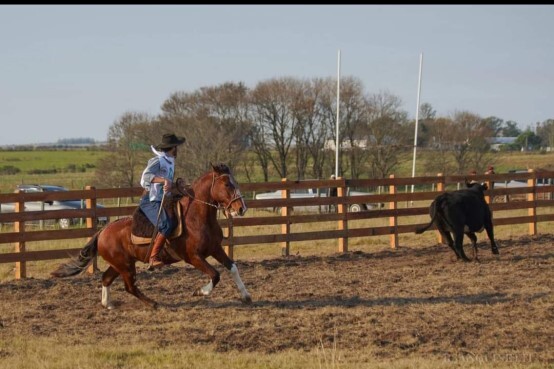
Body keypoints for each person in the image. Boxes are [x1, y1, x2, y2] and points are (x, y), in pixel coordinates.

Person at [139, 133, 186, 270]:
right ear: (173, 148)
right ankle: (153, 257)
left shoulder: (170, 161)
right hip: (151, 200)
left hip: (164, 199)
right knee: (166, 224)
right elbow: (145, 177)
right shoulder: (158, 160)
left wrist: (177, 184)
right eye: (176, 147)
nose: (178, 149)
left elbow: (168, 185)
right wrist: (163, 180)